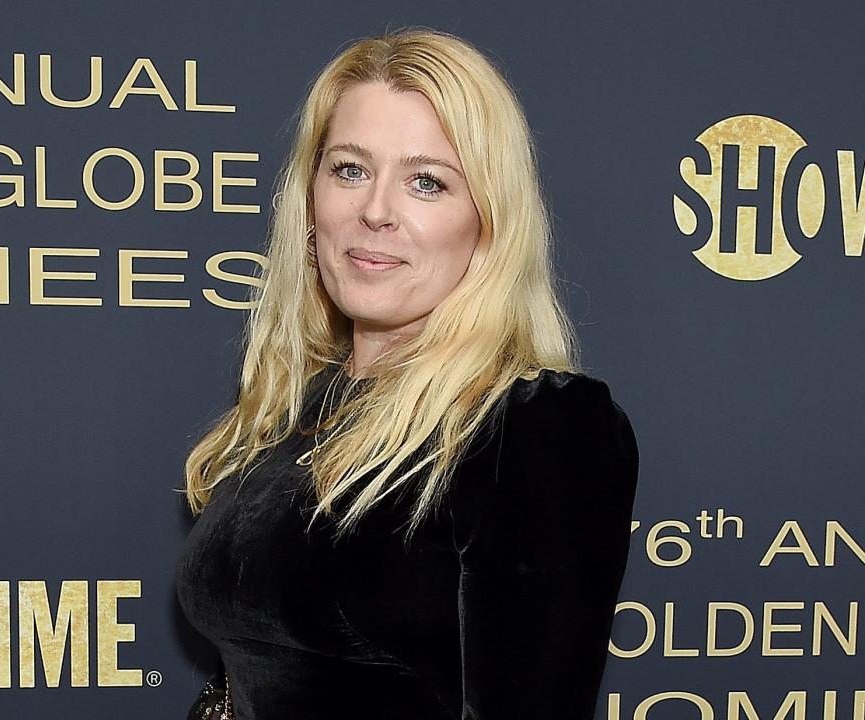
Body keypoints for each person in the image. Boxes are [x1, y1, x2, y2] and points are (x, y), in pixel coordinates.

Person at [176, 26, 639, 720]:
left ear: (488, 223)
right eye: (350, 169)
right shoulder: (293, 409)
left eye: (427, 182)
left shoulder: (536, 427)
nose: (375, 212)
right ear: (309, 199)